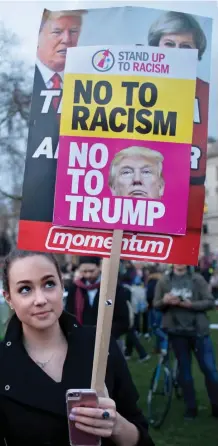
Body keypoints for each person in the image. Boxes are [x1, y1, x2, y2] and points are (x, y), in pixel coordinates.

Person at [0, 249, 154, 446]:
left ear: (62, 285)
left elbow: (142, 437)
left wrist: (117, 426)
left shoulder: (100, 344)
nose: (40, 300)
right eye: (25, 289)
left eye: (49, 284)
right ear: (9, 298)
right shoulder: (4, 363)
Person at [20, 10, 86, 223]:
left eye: (74, 32)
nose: (67, 39)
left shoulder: (88, 88)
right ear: (38, 36)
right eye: (57, 31)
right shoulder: (19, 82)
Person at [148, 10, 209, 185]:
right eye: (169, 44)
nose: (177, 53)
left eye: (186, 47)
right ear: (155, 47)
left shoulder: (206, 92)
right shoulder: (133, 89)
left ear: (197, 54)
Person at [153, 264, 218, 420]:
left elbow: (210, 301)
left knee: (209, 370)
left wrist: (191, 305)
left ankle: (216, 405)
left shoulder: (197, 279)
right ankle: (191, 407)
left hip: (198, 332)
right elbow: (156, 304)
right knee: (185, 371)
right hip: (176, 332)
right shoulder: (164, 281)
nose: (180, 263)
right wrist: (165, 301)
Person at [65, 257, 130, 340]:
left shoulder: (113, 287)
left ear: (99, 267)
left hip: (108, 340)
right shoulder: (75, 288)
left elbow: (123, 319)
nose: (88, 275)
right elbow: (69, 314)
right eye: (84, 271)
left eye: (92, 271)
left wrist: (104, 334)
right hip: (81, 338)